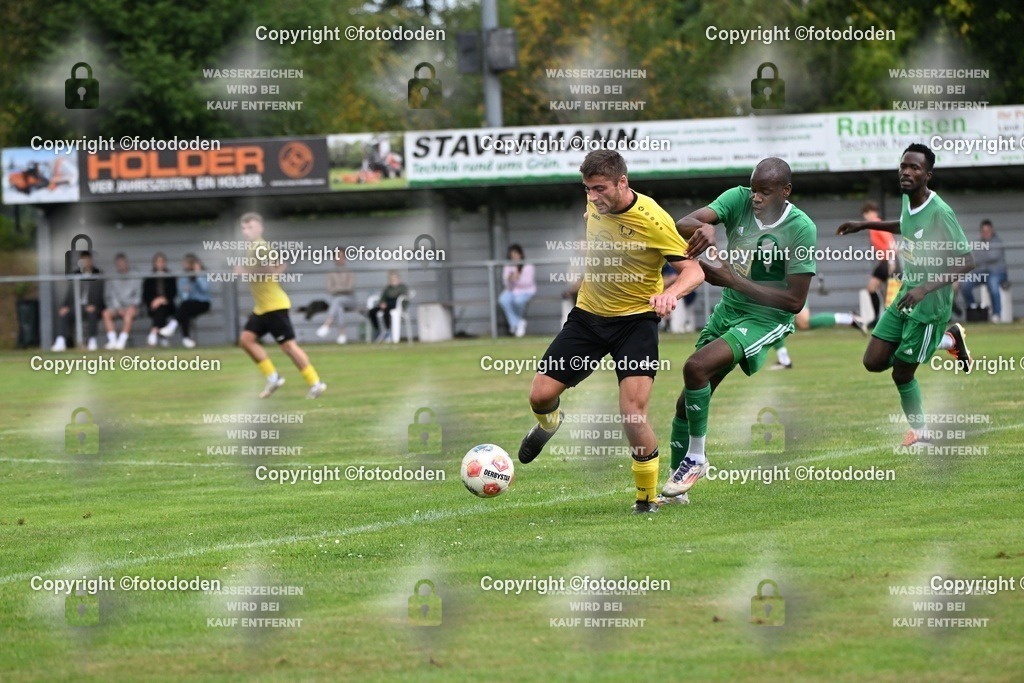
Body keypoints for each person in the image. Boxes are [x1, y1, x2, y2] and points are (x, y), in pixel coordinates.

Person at [516, 150, 704, 515]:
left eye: (599, 188)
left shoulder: (653, 219)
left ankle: (647, 499)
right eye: (587, 188)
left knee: (633, 414)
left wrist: (670, 293)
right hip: (588, 317)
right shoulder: (595, 207)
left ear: (623, 182)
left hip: (635, 323)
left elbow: (694, 271)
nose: (592, 196)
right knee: (540, 396)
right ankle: (550, 423)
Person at [662, 158, 816, 503]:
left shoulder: (801, 228)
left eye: (765, 191)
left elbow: (794, 301)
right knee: (687, 403)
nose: (756, 197)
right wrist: (706, 229)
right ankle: (675, 495)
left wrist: (734, 280)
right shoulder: (738, 198)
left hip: (766, 318)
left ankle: (698, 459)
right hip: (728, 311)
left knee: (695, 367)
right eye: (754, 188)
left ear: (785, 191)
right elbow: (683, 223)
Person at [837, 143, 974, 449]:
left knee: (901, 372)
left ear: (928, 175)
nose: (906, 172)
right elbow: (907, 225)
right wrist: (865, 224)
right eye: (903, 166)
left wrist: (925, 288)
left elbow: (966, 260)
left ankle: (922, 434)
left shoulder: (941, 212)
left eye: (914, 168)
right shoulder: (907, 199)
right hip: (906, 297)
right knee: (873, 361)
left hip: (929, 306)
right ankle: (951, 340)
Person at [237, 212, 326, 399]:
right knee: (246, 340)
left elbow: (268, 269)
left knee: (289, 348)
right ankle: (273, 377)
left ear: (260, 228)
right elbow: (278, 265)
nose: (246, 231)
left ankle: (315, 383)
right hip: (262, 308)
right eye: (244, 228)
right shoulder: (254, 247)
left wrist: (246, 272)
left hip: (274, 307)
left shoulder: (260, 247)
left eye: (250, 227)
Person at [768, 306, 867, 370]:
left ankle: (849, 318)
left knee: (803, 322)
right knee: (772, 321)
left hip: (789, 284)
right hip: (781, 286)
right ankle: (784, 360)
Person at [51, 251, 104, 352]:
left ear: (91, 261)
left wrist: (95, 305)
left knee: (92, 313)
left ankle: (92, 340)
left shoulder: (98, 274)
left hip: (91, 305)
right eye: (83, 261)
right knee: (63, 313)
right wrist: (65, 305)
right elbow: (70, 293)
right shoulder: (75, 274)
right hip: (76, 306)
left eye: (87, 260)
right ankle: (60, 340)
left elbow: (100, 293)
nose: (85, 263)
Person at [862, 201, 900, 326]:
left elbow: (891, 243)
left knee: (891, 294)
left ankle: (882, 319)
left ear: (873, 213)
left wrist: (891, 261)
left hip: (889, 262)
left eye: (867, 213)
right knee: (873, 289)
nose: (866, 217)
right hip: (885, 262)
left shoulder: (878, 225)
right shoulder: (873, 227)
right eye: (865, 214)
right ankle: (878, 318)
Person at [961, 220, 1008, 322]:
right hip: (981, 272)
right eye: (984, 231)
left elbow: (992, 256)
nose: (986, 233)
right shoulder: (978, 242)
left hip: (997, 272)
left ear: (992, 230)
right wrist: (981, 257)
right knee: (965, 284)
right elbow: (974, 259)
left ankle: (996, 314)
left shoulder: (997, 242)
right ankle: (973, 309)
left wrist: (981, 256)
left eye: (988, 231)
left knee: (993, 283)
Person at [160, 254, 210, 348]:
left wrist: (198, 274)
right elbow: (183, 296)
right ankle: (186, 339)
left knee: (184, 308)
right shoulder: (184, 277)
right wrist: (186, 292)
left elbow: (205, 289)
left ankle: (173, 327)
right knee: (184, 310)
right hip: (188, 304)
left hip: (203, 303)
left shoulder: (203, 274)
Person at [101, 253, 141, 350]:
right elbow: (109, 296)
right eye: (119, 263)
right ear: (116, 264)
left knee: (129, 313)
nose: (121, 265)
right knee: (106, 313)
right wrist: (118, 308)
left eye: (123, 262)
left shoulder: (136, 276)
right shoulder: (112, 278)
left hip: (132, 307)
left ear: (127, 263)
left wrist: (131, 305)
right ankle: (113, 341)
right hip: (116, 307)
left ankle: (121, 342)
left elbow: (138, 295)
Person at [316, 250, 356, 344]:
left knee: (337, 300)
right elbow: (329, 288)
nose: (340, 258)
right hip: (337, 300)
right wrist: (341, 288)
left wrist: (337, 288)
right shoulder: (331, 273)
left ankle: (326, 325)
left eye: (342, 256)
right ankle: (342, 335)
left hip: (349, 299)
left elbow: (350, 288)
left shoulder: (349, 272)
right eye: (338, 256)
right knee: (339, 307)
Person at [498, 244, 537, 337]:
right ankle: (517, 323)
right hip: (512, 290)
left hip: (526, 290)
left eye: (516, 254)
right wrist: (509, 280)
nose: (514, 257)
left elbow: (528, 283)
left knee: (518, 301)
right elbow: (506, 284)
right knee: (503, 300)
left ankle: (516, 324)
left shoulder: (528, 266)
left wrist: (517, 278)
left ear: (521, 254)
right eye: (512, 256)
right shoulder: (508, 266)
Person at [142, 253, 177, 347]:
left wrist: (163, 299)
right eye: (158, 261)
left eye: (162, 261)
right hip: (153, 306)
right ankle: (163, 338)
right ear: (154, 263)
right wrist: (154, 301)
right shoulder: (149, 278)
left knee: (162, 308)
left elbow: (173, 292)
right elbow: (145, 295)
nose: (160, 264)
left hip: (168, 305)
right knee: (160, 309)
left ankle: (153, 332)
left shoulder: (170, 277)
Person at [367, 270, 408, 343]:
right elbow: (382, 298)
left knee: (387, 311)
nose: (393, 281)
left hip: (395, 305)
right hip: (386, 304)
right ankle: (378, 330)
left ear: (398, 279)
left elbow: (404, 299)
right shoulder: (387, 288)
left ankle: (388, 332)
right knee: (372, 312)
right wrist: (382, 303)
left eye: (394, 279)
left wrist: (402, 307)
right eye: (391, 279)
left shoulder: (402, 288)